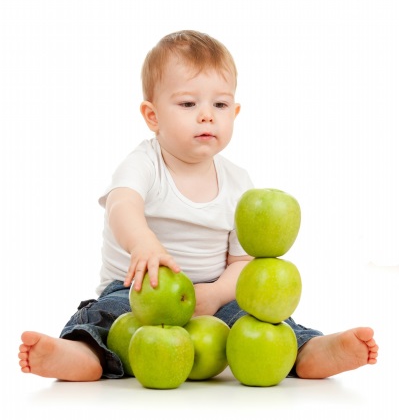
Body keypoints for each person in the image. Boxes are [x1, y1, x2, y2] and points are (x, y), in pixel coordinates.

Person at [18, 30, 378, 382]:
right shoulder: (144, 163)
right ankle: (81, 354)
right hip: (141, 292)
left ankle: (308, 351)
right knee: (107, 317)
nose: (207, 115)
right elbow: (121, 205)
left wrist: (217, 293)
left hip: (213, 294)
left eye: (220, 105)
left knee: (264, 321)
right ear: (152, 116)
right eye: (188, 104)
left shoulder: (238, 183)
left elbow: (243, 262)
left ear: (234, 112)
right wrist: (143, 243)